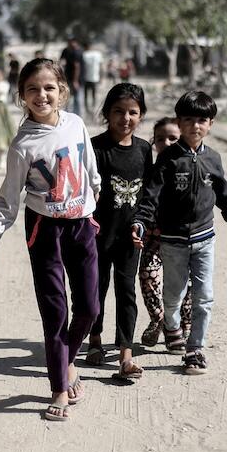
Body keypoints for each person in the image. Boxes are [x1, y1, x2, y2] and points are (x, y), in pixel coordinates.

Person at [0, 58, 101, 422]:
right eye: (32, 89)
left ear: (62, 90)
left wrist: (95, 206)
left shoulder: (76, 124)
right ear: (22, 96)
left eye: (49, 87)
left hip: (82, 225)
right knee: (55, 311)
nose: (41, 95)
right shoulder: (22, 145)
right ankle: (59, 386)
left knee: (90, 307)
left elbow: (91, 170)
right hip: (44, 231)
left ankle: (68, 359)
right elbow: (7, 201)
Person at [131, 91, 227, 375]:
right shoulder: (168, 159)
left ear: (210, 124)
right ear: (179, 123)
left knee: (204, 296)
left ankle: (195, 349)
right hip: (173, 241)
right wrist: (141, 222)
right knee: (173, 294)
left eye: (202, 120)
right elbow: (151, 196)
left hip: (205, 239)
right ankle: (171, 327)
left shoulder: (214, 159)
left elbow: (223, 193)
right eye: (188, 120)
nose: (195, 125)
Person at [85, 84, 152, 381]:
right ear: (107, 114)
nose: (126, 118)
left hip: (130, 238)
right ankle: (94, 340)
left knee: (127, 292)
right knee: (95, 291)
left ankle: (126, 354)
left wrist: (141, 224)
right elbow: (85, 192)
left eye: (133, 112)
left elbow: (147, 195)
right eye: (119, 111)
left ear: (141, 115)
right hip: (97, 236)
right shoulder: (95, 148)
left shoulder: (144, 149)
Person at [138, 117, 192, 347]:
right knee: (148, 276)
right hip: (153, 238)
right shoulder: (150, 170)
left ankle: (185, 326)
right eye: (160, 139)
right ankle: (157, 319)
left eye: (173, 138)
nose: (166, 143)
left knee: (184, 284)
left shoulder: (187, 168)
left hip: (180, 239)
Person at [59, 38, 84, 115]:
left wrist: (75, 81)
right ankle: (66, 114)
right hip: (68, 78)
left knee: (77, 98)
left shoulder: (77, 52)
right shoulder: (66, 50)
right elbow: (61, 61)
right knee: (67, 96)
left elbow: (77, 67)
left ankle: (78, 115)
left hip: (77, 79)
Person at [81, 42, 103, 118]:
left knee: (86, 96)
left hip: (86, 78)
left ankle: (87, 110)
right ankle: (93, 110)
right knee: (94, 95)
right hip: (95, 78)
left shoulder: (83, 55)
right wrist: (101, 76)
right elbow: (101, 66)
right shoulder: (97, 54)